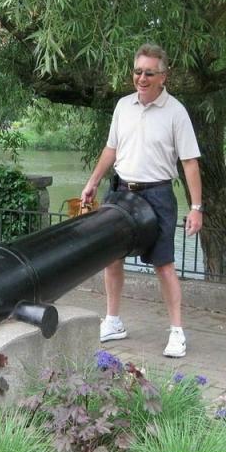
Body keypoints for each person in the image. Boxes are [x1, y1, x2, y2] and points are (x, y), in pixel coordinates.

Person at [81, 43, 203, 358]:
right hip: (121, 191)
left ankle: (176, 332)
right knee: (112, 257)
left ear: (163, 76)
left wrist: (196, 208)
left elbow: (190, 162)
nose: (142, 78)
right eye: (138, 72)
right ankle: (113, 321)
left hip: (158, 195)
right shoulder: (123, 106)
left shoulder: (176, 112)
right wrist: (92, 182)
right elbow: (111, 149)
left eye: (149, 73)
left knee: (164, 265)